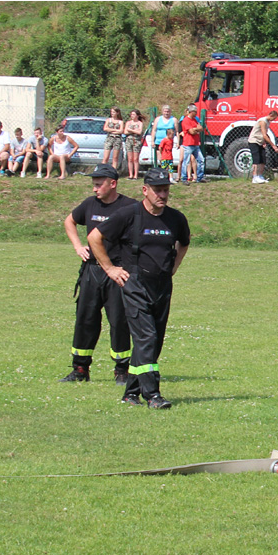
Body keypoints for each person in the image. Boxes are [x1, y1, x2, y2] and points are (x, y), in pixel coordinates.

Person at [87, 167, 191, 409]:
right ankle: (152, 394)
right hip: (135, 284)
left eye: (165, 190)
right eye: (157, 190)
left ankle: (130, 393)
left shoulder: (176, 218)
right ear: (145, 191)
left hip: (163, 285)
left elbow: (184, 243)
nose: (162, 195)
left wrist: (174, 267)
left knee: (154, 342)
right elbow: (94, 238)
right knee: (146, 338)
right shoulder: (128, 215)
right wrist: (110, 268)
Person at [59, 163, 136, 385]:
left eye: (98, 184)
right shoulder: (89, 205)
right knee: (85, 318)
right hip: (92, 270)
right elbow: (69, 221)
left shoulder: (129, 207)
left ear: (113, 184)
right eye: (93, 185)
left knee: (119, 320)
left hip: (117, 271)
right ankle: (80, 368)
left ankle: (121, 370)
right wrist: (77, 246)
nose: (95, 189)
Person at [249, 110, 278, 184]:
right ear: (271, 115)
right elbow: (264, 134)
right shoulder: (263, 121)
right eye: (274, 118)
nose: (274, 120)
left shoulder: (268, 122)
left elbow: (264, 134)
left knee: (263, 159)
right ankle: (255, 177)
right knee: (257, 159)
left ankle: (260, 175)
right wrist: (273, 146)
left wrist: (264, 142)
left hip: (260, 142)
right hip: (254, 141)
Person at [179, 104, 206, 185]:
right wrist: (196, 130)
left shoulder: (195, 120)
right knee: (186, 161)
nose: (196, 113)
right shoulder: (186, 120)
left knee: (201, 160)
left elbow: (201, 128)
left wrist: (195, 129)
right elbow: (191, 132)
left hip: (195, 144)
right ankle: (184, 178)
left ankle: (199, 177)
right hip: (188, 144)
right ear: (191, 112)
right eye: (195, 112)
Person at [123, 109, 145, 181]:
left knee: (135, 159)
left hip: (136, 141)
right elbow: (125, 132)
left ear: (137, 116)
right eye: (131, 114)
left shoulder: (140, 123)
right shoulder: (128, 122)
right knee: (129, 158)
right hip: (129, 140)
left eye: (133, 114)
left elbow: (139, 132)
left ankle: (136, 175)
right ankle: (130, 174)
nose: (132, 116)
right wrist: (133, 131)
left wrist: (131, 130)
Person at [102, 107, 124, 171]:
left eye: (113, 112)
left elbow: (121, 131)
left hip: (117, 139)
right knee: (106, 157)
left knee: (115, 158)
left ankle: (113, 171)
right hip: (109, 139)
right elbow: (105, 128)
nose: (112, 113)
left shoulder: (120, 122)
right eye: (111, 112)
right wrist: (115, 130)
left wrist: (111, 130)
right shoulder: (108, 120)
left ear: (117, 113)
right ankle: (102, 170)